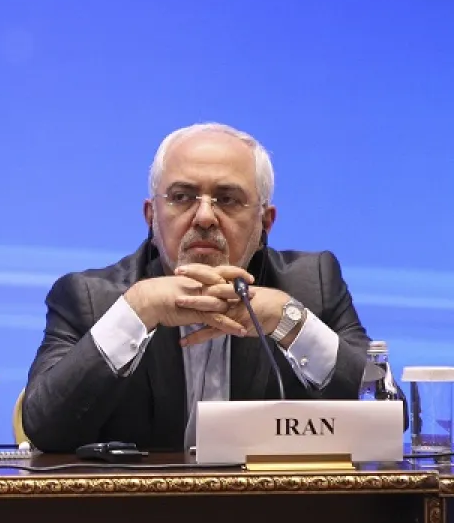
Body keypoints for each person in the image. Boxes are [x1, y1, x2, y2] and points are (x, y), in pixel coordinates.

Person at [22, 122, 370, 453]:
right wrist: (139, 310)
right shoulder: (89, 299)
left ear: (265, 222)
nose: (204, 217)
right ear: (151, 216)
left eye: (228, 199)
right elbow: (44, 429)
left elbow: (385, 414)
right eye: (183, 196)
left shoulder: (312, 285)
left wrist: (290, 322)